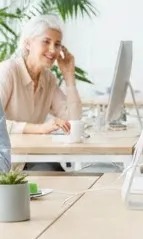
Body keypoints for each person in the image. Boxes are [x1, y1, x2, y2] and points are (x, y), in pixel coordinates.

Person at [0, 15, 82, 171]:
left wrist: (69, 76)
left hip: (29, 158)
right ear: (28, 43)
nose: (53, 50)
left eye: (57, 44)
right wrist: (39, 128)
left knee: (58, 174)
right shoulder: (8, 71)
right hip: (7, 164)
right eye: (46, 41)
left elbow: (74, 120)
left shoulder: (48, 78)